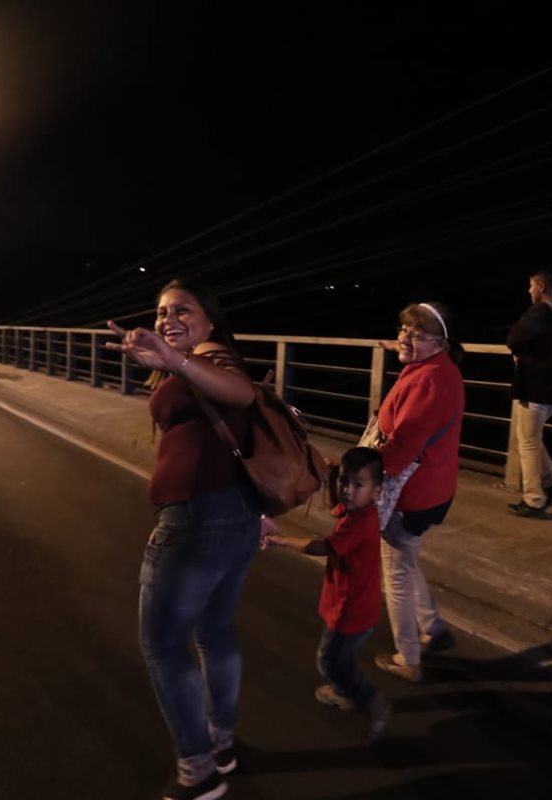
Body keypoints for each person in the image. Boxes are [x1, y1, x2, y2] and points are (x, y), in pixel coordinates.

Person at [105, 278, 260, 800]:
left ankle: (199, 770)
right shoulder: (191, 358)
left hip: (196, 521)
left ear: (210, 318)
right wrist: (165, 363)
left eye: (183, 309)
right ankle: (221, 744)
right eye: (161, 310)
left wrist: (174, 361)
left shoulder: (214, 357)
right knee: (214, 633)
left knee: (164, 646)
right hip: (233, 516)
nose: (169, 317)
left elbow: (243, 392)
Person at [266, 446, 392, 739]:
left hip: (351, 610)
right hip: (357, 605)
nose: (347, 490)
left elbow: (321, 546)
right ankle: (342, 691)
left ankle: (370, 700)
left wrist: (281, 539)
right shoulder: (359, 512)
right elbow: (333, 506)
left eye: (357, 484)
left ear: (377, 492)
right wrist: (331, 475)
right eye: (344, 482)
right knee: (341, 657)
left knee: (329, 660)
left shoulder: (358, 524)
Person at [372, 301, 464, 683]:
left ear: (440, 343)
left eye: (418, 335)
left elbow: (403, 447)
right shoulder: (442, 370)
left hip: (412, 494)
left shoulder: (427, 380)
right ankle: (433, 628)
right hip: (435, 486)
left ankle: (408, 658)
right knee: (406, 559)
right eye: (403, 331)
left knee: (394, 574)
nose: (406, 339)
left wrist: (363, 477)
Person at [503, 270, 552, 518]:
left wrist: (520, 352)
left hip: (535, 385)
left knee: (526, 440)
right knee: (532, 437)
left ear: (541, 286)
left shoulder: (540, 311)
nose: (529, 292)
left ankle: (534, 498)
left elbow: (514, 338)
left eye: (531, 287)